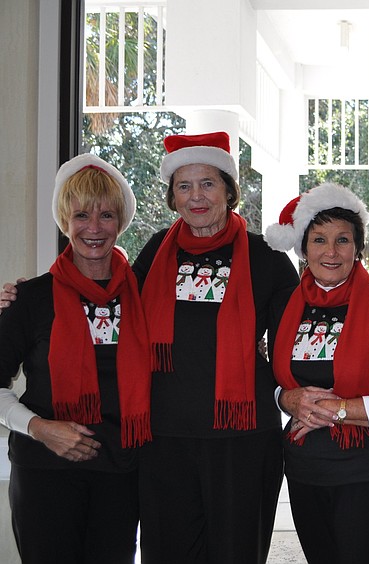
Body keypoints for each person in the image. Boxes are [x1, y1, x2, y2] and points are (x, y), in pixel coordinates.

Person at [132, 132, 299, 563]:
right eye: (184, 186)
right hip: (165, 437)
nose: (196, 196)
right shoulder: (154, 253)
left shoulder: (266, 258)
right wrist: (28, 294)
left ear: (229, 189)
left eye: (207, 183)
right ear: (173, 197)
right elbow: (112, 308)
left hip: (242, 438)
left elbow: (296, 336)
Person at [263, 182, 369, 563]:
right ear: (303, 248)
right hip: (305, 472)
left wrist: (336, 410)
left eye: (343, 240)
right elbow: (271, 377)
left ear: (358, 248)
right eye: (319, 240)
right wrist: (286, 398)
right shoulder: (284, 306)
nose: (331, 252)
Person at [0, 154, 151, 563]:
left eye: (106, 215)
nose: (94, 228)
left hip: (121, 471)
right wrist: (40, 428)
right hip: (44, 472)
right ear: (64, 220)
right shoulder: (30, 298)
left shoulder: (144, 297)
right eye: (81, 214)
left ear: (121, 221)